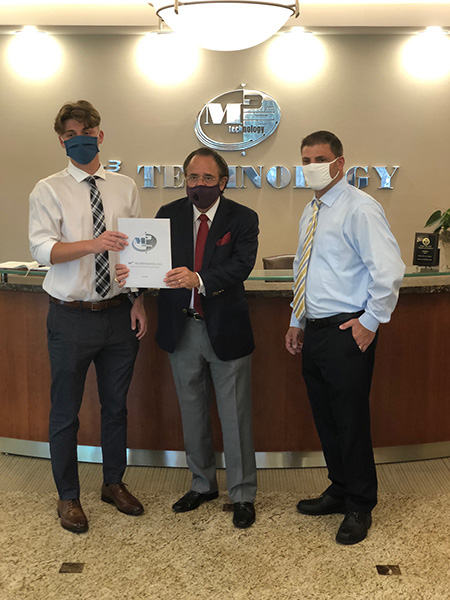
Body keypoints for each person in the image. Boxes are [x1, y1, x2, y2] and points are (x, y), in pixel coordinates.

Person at [117, 147, 258, 528]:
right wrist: (134, 282)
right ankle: (202, 484)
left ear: (223, 182)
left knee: (234, 416)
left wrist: (200, 279)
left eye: (207, 179)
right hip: (182, 329)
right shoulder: (168, 214)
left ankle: (242, 494)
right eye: (192, 178)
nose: (198, 185)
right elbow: (152, 263)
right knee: (192, 412)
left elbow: (241, 266)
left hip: (225, 329)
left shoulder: (243, 218)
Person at [29, 100, 147, 533]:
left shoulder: (125, 186)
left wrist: (138, 299)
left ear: (100, 134)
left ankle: (113, 483)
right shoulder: (48, 189)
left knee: (117, 408)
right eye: (69, 136)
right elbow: (43, 249)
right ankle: (68, 497)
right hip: (70, 316)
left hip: (118, 314)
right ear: (62, 141)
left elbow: (137, 248)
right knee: (66, 411)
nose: (78, 140)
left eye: (85, 132)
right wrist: (93, 244)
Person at [285, 131, 405, 545]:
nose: (312, 165)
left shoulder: (360, 208)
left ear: (340, 162)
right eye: (306, 159)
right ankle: (339, 488)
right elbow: (304, 270)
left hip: (346, 332)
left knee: (350, 421)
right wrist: (296, 321)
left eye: (320, 158)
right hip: (315, 331)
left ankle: (360, 503)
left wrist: (370, 322)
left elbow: (389, 270)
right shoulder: (311, 210)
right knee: (326, 417)